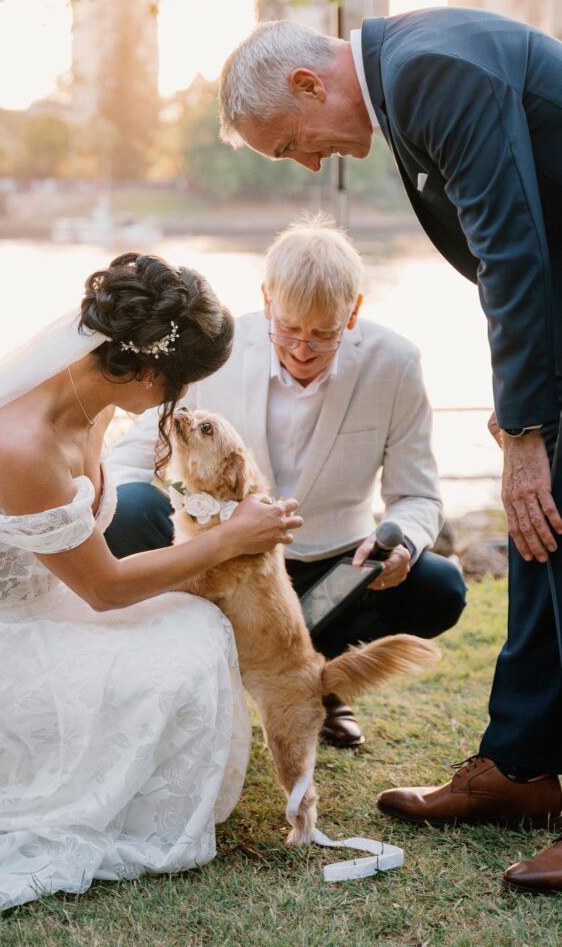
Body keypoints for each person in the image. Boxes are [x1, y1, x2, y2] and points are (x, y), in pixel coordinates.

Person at [218, 8, 562, 892]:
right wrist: (527, 406)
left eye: (292, 141)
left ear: (308, 84)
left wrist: (523, 427)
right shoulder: (408, 78)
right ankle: (520, 768)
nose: (306, 162)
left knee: (559, 529)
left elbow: (514, 251)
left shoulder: (427, 72)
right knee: (539, 539)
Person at [0, 252, 302, 915]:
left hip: (38, 611)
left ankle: (112, 781)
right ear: (149, 370)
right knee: (166, 670)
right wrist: (228, 539)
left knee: (196, 629)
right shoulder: (21, 443)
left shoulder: (96, 400)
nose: (180, 403)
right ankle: (60, 787)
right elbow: (104, 589)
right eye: (179, 387)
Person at [108, 215, 466, 749]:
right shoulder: (215, 354)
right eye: (289, 330)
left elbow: (417, 494)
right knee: (130, 505)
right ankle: (193, 669)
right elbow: (131, 456)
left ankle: (318, 682)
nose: (302, 350)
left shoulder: (396, 364)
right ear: (266, 300)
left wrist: (403, 542)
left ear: (355, 312)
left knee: (440, 587)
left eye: (324, 335)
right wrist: (196, 520)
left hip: (334, 568)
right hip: (221, 560)